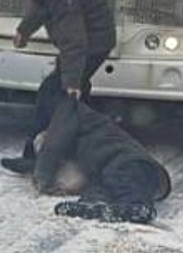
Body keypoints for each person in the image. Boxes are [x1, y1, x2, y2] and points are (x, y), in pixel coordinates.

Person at [0, 0, 117, 175]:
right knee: (69, 98)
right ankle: (76, 151)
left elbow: (74, 41)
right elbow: (40, 10)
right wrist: (24, 30)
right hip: (86, 43)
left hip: (94, 43)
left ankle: (39, 157)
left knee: (53, 93)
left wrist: (72, 82)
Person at [32, 94, 171, 224]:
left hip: (135, 165)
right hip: (140, 174)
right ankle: (95, 206)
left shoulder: (70, 110)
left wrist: (43, 177)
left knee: (119, 176)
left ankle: (137, 206)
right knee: (101, 187)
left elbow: (52, 146)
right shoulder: (84, 148)